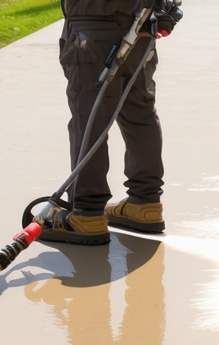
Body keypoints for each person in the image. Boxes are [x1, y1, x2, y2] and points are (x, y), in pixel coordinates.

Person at [37, 0, 183, 245]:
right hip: (140, 25)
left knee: (89, 119)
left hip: (93, 26)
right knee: (140, 113)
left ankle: (87, 213)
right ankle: (145, 203)